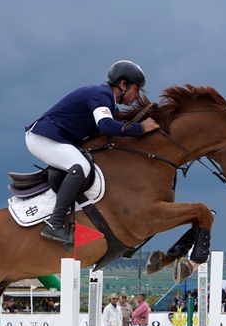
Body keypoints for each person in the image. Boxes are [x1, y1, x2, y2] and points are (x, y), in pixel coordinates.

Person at [24, 61, 160, 247]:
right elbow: (105, 125)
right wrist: (141, 128)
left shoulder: (109, 104)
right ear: (122, 84)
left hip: (56, 138)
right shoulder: (101, 94)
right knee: (81, 167)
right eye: (136, 90)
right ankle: (54, 224)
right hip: (43, 138)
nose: (137, 97)